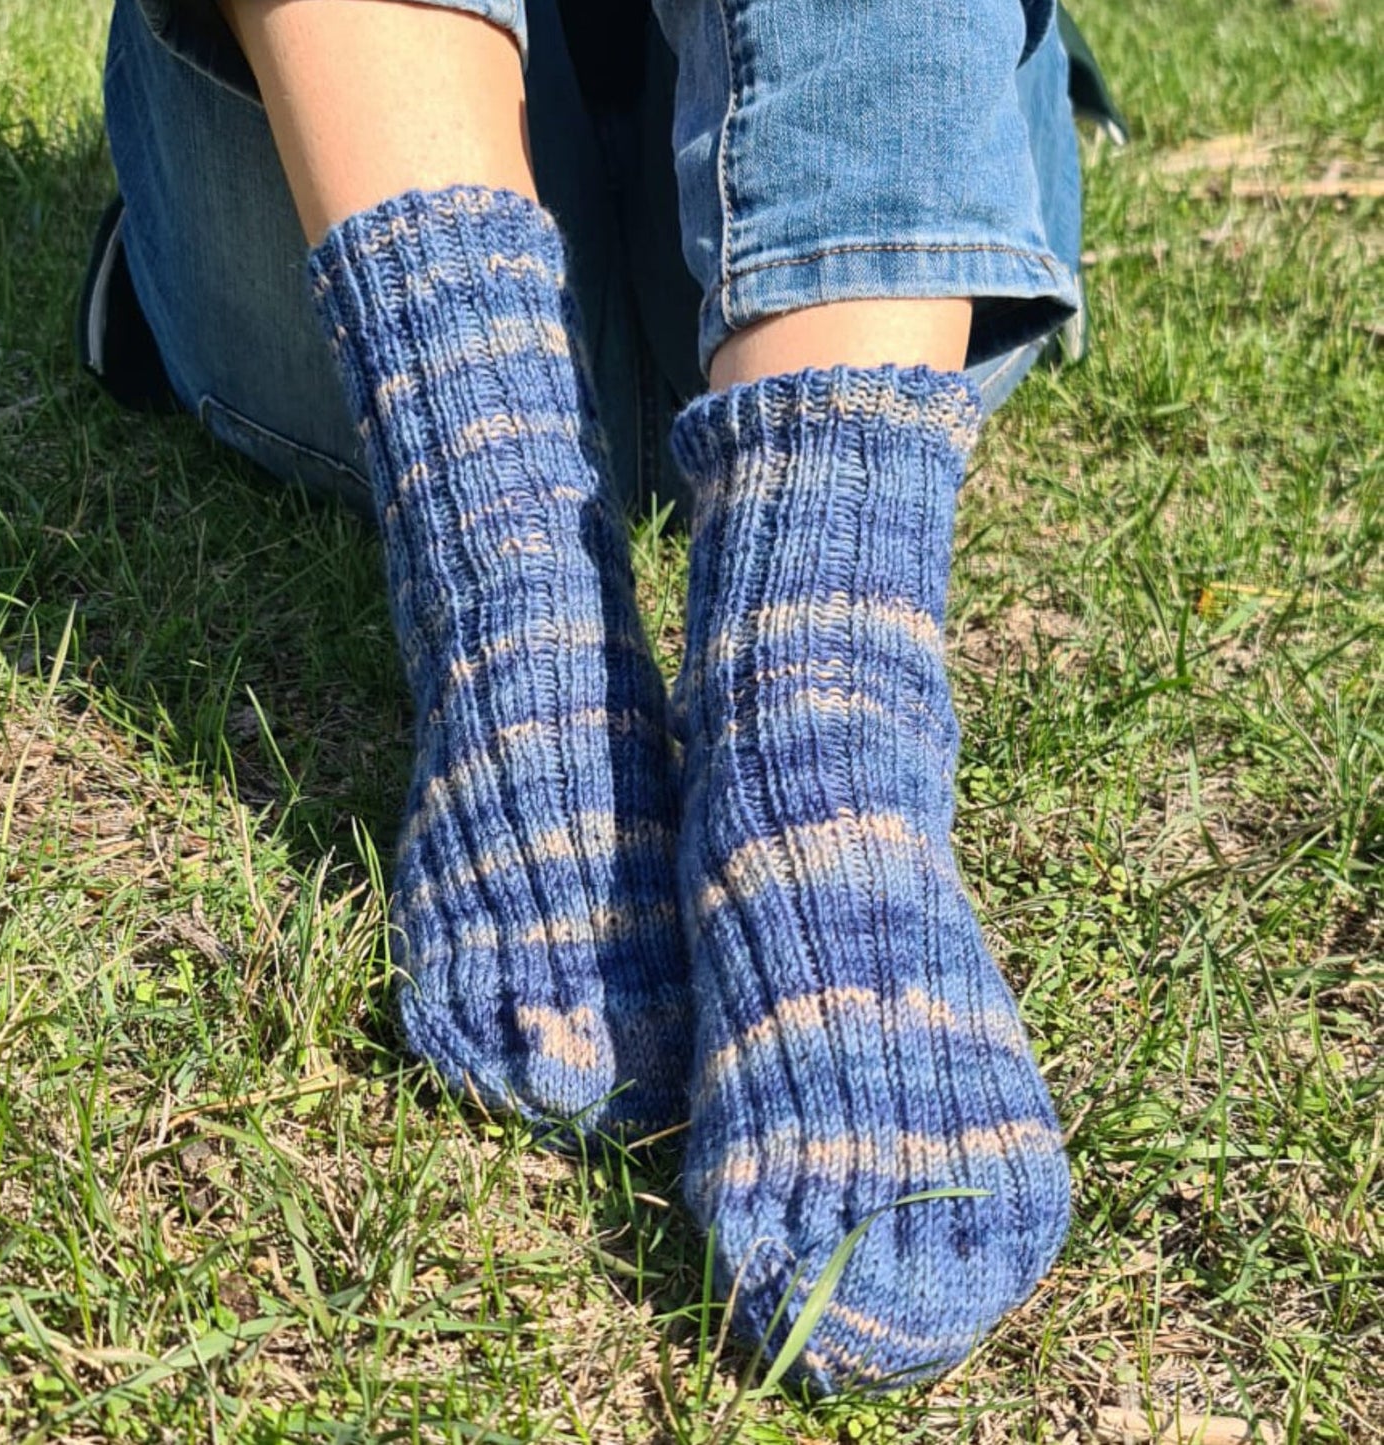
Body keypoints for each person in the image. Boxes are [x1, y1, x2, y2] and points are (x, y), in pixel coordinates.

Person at [81, 0, 1105, 1394]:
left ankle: (820, 715)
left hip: (867, 228)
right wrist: (514, 629)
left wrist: (818, 742)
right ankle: (517, 627)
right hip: (356, 232)